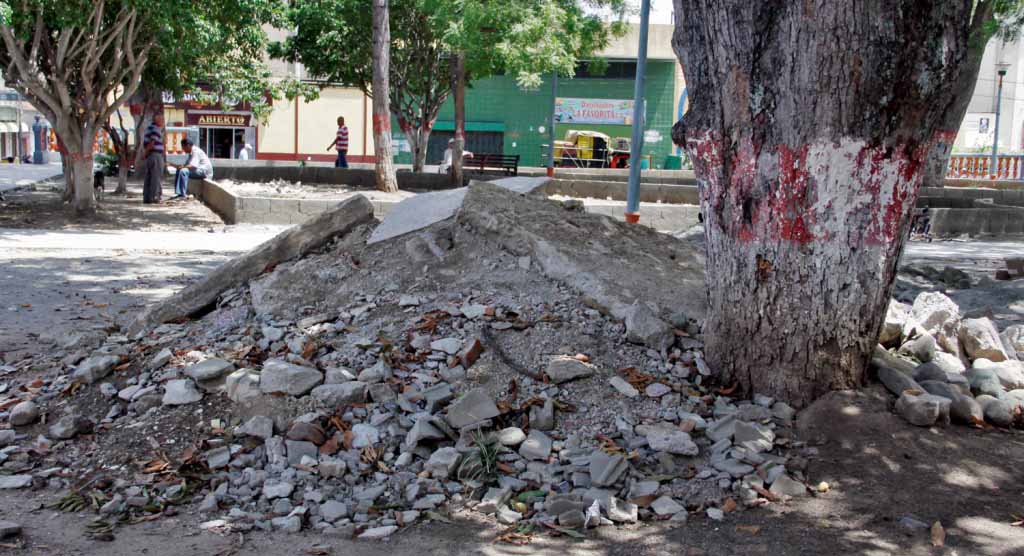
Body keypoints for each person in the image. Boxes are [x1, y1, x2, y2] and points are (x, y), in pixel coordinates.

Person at [142, 113, 165, 203]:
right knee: (156, 176)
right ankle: (155, 197)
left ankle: (147, 197)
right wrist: (145, 153)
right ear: (156, 120)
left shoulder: (149, 128)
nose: (163, 122)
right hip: (155, 155)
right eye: (161, 120)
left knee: (149, 176)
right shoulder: (156, 129)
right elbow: (152, 143)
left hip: (150, 155)